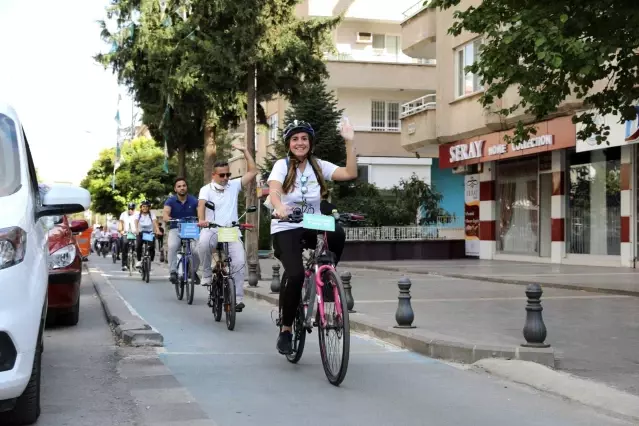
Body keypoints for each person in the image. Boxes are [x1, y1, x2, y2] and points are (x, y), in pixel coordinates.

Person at [267, 118, 357, 355]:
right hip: (286, 226)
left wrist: (349, 142)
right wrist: (279, 206)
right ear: (289, 143)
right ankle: (286, 329)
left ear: (310, 142)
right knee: (295, 274)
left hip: (312, 223)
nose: (300, 142)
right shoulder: (282, 165)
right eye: (295, 139)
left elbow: (349, 173)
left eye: (304, 138)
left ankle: (327, 277)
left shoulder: (318, 165)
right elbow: (274, 190)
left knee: (337, 232)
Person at [198, 143, 257, 312]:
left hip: (230, 230)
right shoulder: (205, 189)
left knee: (238, 261)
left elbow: (253, 172)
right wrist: (202, 220)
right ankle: (207, 274)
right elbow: (201, 205)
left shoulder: (234, 185)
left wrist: (246, 151)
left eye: (228, 174)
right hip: (212, 228)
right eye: (222, 175)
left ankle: (237, 298)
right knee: (203, 244)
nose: (225, 178)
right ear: (214, 175)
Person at [163, 177, 200, 284]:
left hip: (191, 229)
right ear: (175, 189)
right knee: (173, 246)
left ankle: (192, 271)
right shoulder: (170, 200)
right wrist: (168, 218)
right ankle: (173, 271)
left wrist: (201, 219)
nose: (182, 188)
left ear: (186, 187)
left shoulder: (193, 200)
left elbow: (200, 213)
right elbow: (166, 213)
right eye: (179, 186)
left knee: (197, 250)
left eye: (184, 185)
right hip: (176, 228)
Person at [135, 200, 159, 267]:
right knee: (138, 245)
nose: (145, 208)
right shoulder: (138, 215)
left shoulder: (152, 214)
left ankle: (150, 262)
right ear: (141, 207)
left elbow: (154, 222)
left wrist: (157, 230)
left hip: (149, 233)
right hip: (141, 233)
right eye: (143, 206)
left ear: (149, 208)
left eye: (146, 206)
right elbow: (136, 221)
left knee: (151, 247)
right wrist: (136, 229)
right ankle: (139, 261)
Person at [119, 202, 138, 271]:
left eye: (132, 209)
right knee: (124, 246)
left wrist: (139, 230)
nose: (130, 210)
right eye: (129, 209)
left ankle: (136, 262)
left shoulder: (138, 214)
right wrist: (120, 230)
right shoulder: (123, 214)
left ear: (134, 209)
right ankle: (124, 265)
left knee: (137, 246)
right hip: (126, 233)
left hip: (135, 233)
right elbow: (120, 223)